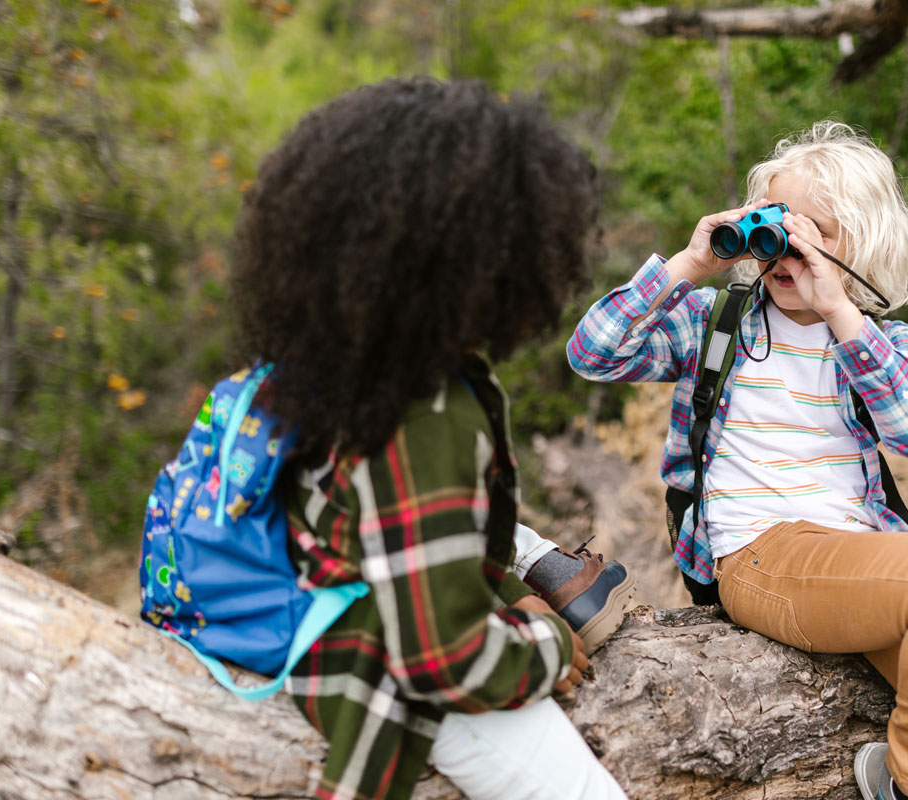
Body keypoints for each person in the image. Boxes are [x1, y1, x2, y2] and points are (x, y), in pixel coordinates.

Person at [567, 121, 908, 800]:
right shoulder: (719, 322)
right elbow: (594, 353)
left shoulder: (876, 339)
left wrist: (838, 307)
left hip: (861, 565)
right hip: (762, 557)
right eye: (778, 226)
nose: (790, 250)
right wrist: (688, 266)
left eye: (816, 233)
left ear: (863, 244)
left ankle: (907, 767)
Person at [230, 78, 632, 800]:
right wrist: (546, 646)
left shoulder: (331, 367)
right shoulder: (428, 412)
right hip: (375, 680)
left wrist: (507, 593)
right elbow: (441, 660)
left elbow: (395, 544)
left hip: (306, 626)